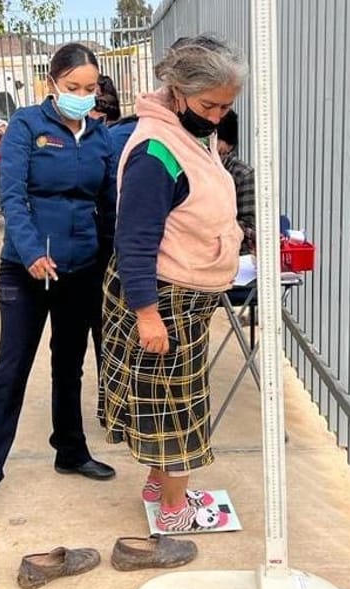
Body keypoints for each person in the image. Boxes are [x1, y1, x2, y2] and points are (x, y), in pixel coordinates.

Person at [0, 43, 117, 520]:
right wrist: (30, 252)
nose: (82, 96)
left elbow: (107, 206)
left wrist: (109, 261)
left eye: (90, 89)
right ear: (51, 83)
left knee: (70, 364)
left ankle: (70, 450)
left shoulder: (100, 138)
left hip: (81, 268)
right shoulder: (27, 126)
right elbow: (12, 195)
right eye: (73, 88)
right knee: (10, 370)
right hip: (28, 269)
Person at [102, 35, 247, 532]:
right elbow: (134, 238)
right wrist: (147, 313)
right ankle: (172, 508)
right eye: (210, 105)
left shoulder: (191, 135)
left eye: (226, 107)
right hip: (163, 297)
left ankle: (156, 484)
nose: (217, 117)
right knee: (180, 409)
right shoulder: (156, 152)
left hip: (182, 296)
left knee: (168, 397)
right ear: (178, 90)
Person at [216, 109, 256, 254]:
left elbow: (250, 225)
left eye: (222, 153)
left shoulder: (243, 175)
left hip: (235, 253)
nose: (216, 157)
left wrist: (215, 227)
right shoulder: (194, 167)